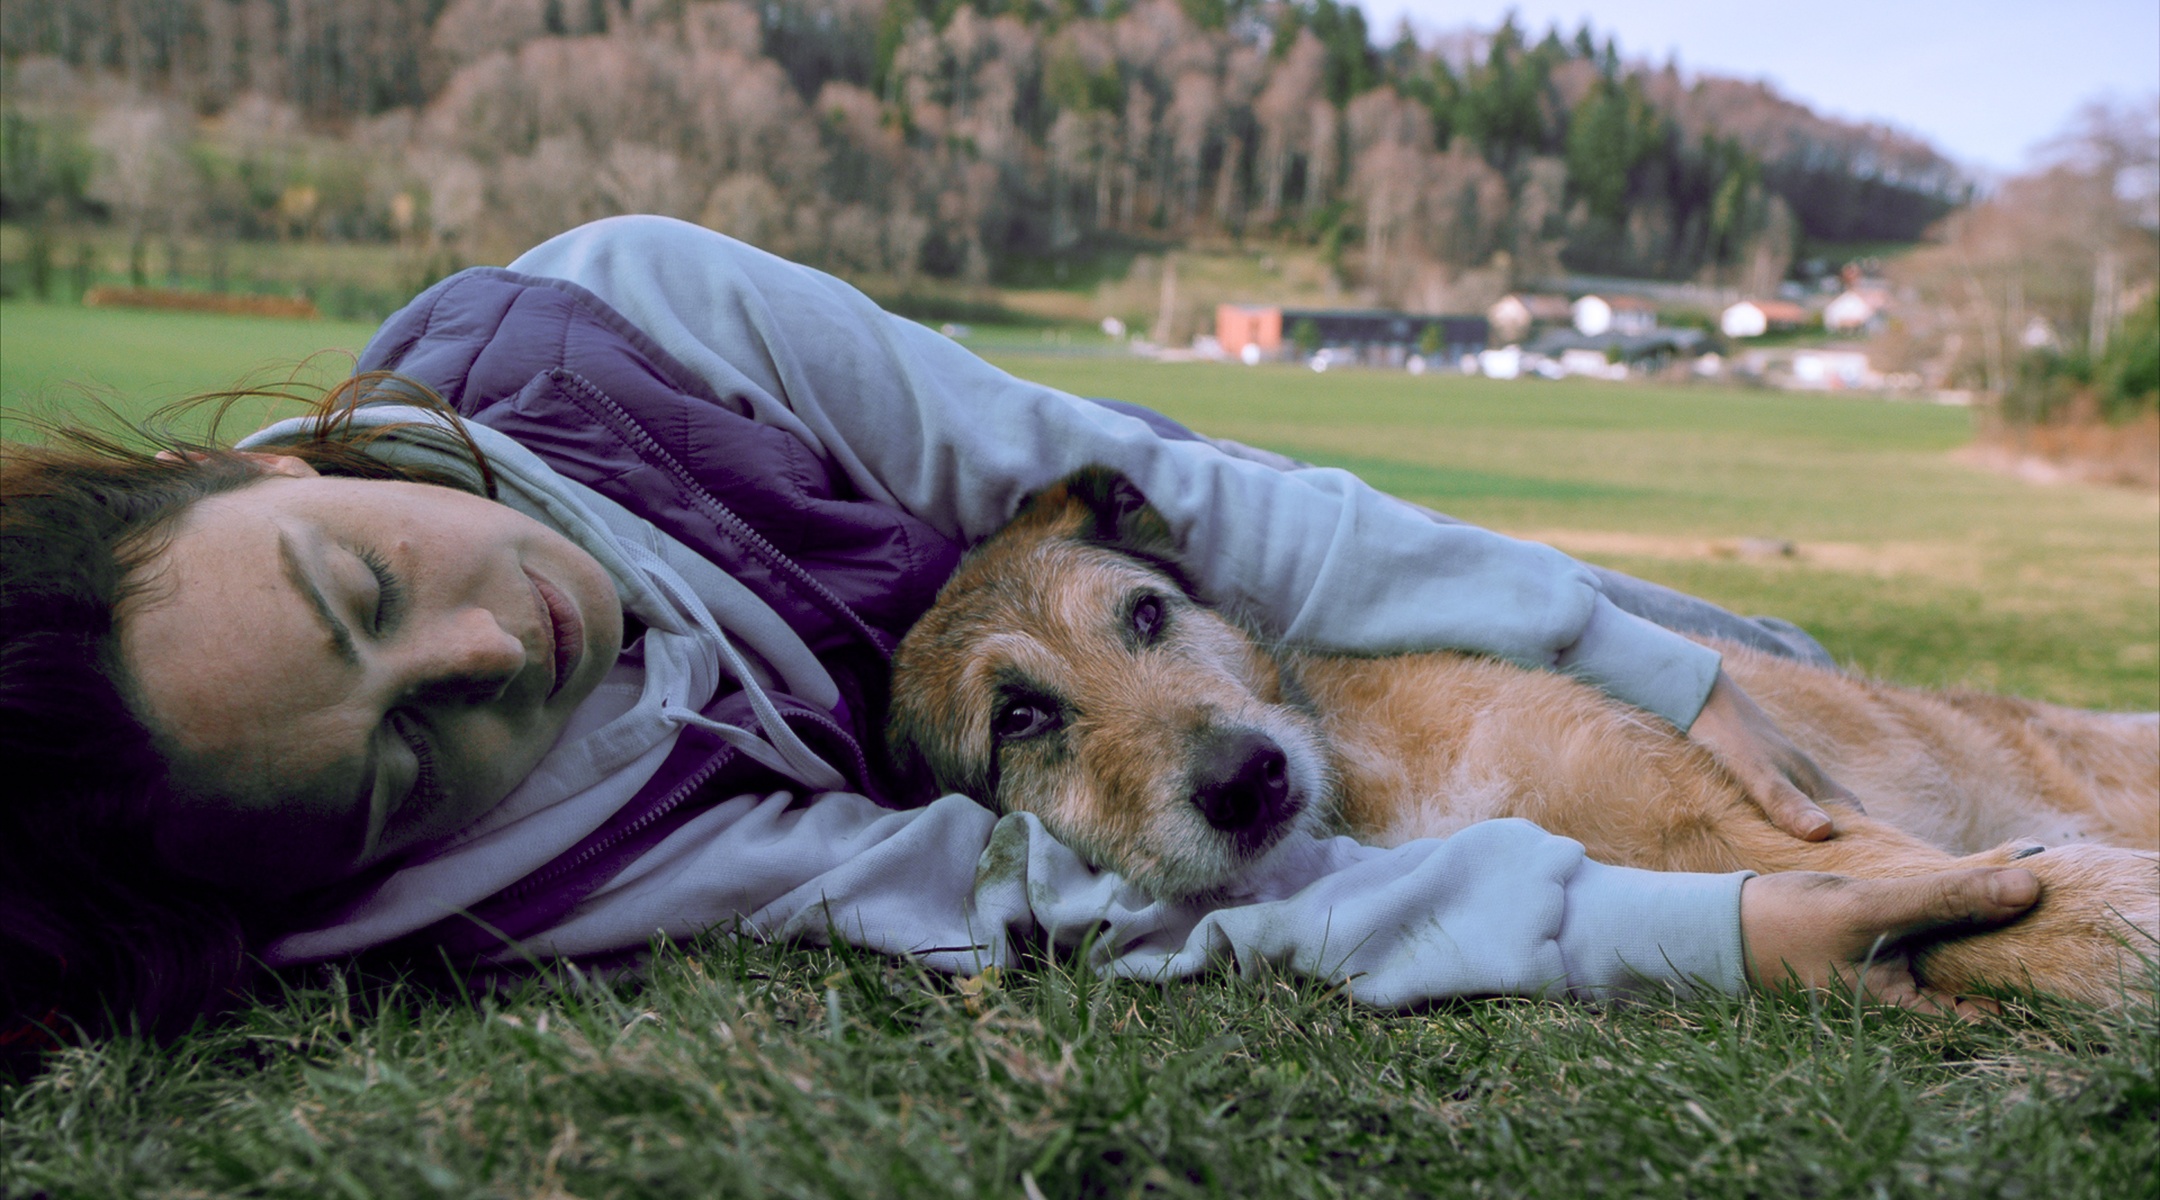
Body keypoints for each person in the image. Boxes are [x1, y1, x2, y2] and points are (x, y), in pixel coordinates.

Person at [0, 216, 2041, 1047]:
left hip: (1128, 577)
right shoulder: (562, 862)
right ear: (365, 863)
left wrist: (1660, 663)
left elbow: (1190, 491)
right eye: (398, 758)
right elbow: (1120, 914)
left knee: (1730, 666)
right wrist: (1702, 933)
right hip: (1059, 703)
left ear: (262, 470)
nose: (484, 657)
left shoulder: (629, 311)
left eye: (361, 586)